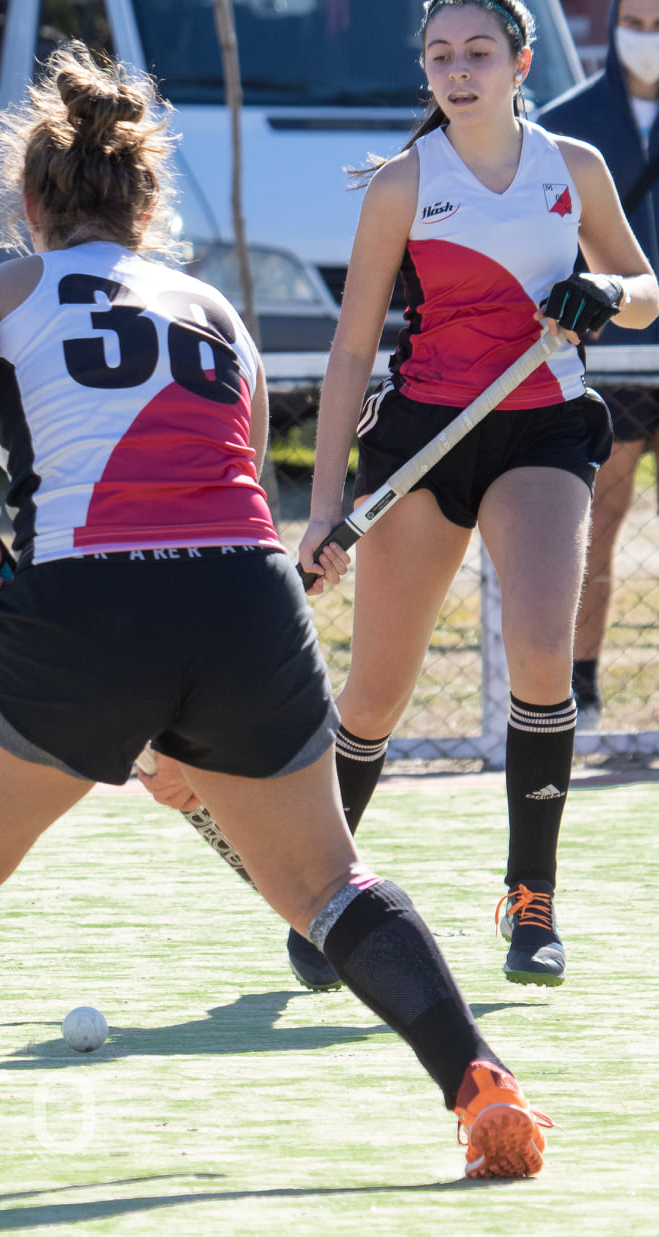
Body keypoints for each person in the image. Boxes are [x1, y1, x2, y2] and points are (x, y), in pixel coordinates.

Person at [0, 44, 554, 1186]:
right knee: (333, 886)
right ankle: (477, 1078)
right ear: (146, 205)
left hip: (89, 598)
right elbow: (231, 453)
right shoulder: (212, 305)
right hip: (247, 599)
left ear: (31, 200)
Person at [291, 0, 657, 990]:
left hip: (543, 426)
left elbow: (644, 280)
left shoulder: (572, 165)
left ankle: (530, 898)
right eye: (440, 55)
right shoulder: (404, 186)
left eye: (478, 52)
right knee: (377, 686)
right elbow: (354, 349)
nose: (458, 70)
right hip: (424, 439)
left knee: (542, 646)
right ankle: (324, 891)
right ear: (426, 70)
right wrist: (325, 510)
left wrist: (608, 298)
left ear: (519, 60)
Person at [537, 0, 659, 733]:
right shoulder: (567, 121)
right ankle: (577, 688)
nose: (645, 38)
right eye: (634, 22)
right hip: (614, 354)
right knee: (598, 517)